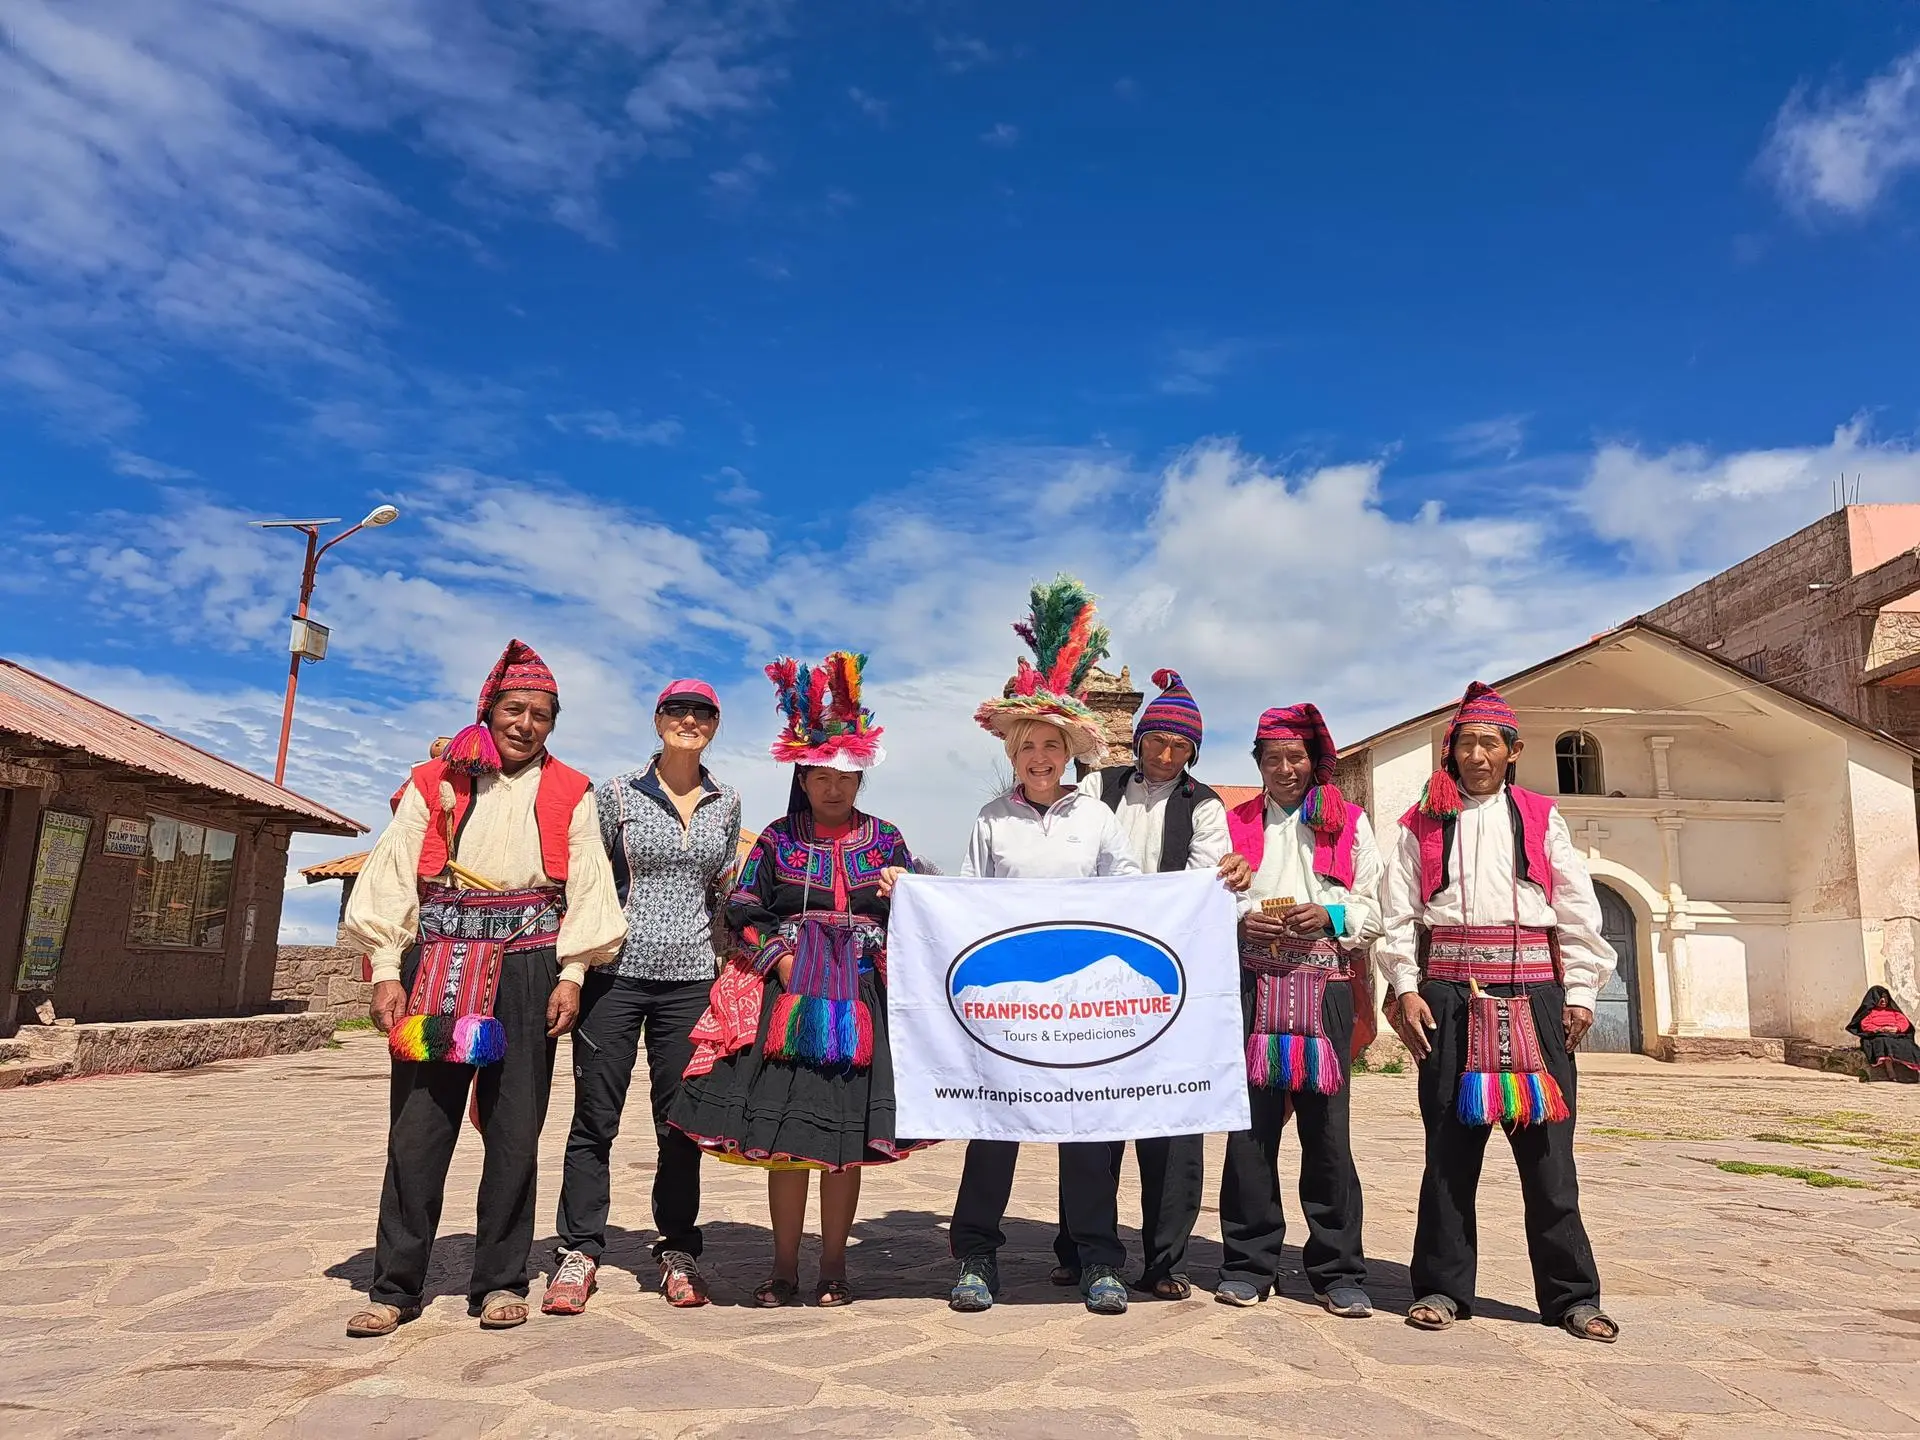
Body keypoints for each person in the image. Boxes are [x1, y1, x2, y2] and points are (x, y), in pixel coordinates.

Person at [342, 639, 626, 1337]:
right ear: (489, 710)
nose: (526, 723)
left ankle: (500, 1280)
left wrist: (572, 974)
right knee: (417, 1130)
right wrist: (385, 968)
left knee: (514, 1130)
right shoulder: (435, 780)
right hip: (436, 960)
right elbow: (393, 870)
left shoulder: (571, 791)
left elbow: (588, 881)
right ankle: (394, 1285)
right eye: (515, 708)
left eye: (541, 715)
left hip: (530, 967)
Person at [670, 652, 930, 1306]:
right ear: (804, 775)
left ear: (860, 776)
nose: (833, 788)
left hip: (862, 997)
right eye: (819, 775)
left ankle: (835, 1267)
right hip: (788, 996)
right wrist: (781, 959)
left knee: (842, 1143)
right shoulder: (780, 840)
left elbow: (918, 915)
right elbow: (744, 908)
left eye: (845, 776)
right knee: (787, 1139)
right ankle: (783, 1268)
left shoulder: (889, 840)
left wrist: (913, 892)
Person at [1379, 681, 1619, 1344]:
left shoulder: (1542, 818)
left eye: (1490, 743)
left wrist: (1579, 994)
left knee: (1548, 1161)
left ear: (1514, 751)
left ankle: (1572, 1296)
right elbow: (1397, 914)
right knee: (1449, 1155)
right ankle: (1440, 1288)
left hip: (1536, 999)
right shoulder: (1420, 822)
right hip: (1450, 997)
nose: (1477, 754)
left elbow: (1576, 908)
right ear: (1450, 750)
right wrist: (1405, 987)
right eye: (1465, 742)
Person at [951, 577, 1143, 1317]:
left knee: (1090, 1128)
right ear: (1012, 752)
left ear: (1068, 752)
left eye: (1050, 745)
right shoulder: (990, 820)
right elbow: (966, 902)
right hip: (1008, 999)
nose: (1039, 756)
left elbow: (1127, 895)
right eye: (1027, 745)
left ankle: (1096, 1257)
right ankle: (974, 1256)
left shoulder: (1096, 819)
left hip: (1086, 1000)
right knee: (995, 1129)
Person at [542, 679, 741, 1315]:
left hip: (691, 981)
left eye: (702, 712)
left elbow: (721, 890)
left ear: (714, 724)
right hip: (616, 976)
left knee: (678, 1122)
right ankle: (579, 1248)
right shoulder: (617, 796)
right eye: (678, 710)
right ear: (658, 719)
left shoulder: (727, 801)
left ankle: (678, 1248)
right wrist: (572, 969)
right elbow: (587, 882)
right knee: (594, 1118)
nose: (689, 720)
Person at [1052, 668, 1251, 1301]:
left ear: (1193, 752)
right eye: (1156, 742)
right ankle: (1082, 1248)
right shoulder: (1092, 788)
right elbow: (1068, 858)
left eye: (1179, 747)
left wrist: (1224, 885)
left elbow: (1205, 887)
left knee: (1172, 1121)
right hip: (1093, 978)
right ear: (1137, 740)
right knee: (1091, 1121)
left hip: (1170, 981)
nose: (1166, 755)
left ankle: (1164, 1260)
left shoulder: (1206, 807)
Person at [1215, 704, 1380, 1317]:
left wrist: (1331, 915)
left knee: (1327, 1132)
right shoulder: (1231, 825)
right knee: (1250, 1129)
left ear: (1315, 762)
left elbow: (1375, 907)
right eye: (1273, 758)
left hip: (1325, 986)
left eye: (1296, 757)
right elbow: (1208, 893)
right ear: (1257, 763)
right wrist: (1241, 917)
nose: (1285, 769)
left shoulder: (1349, 824)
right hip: (1254, 985)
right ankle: (1248, 1262)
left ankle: (1337, 1269)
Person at [1849, 986, 1920, 1082]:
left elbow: (1903, 1022)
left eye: (1886, 998)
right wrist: (1879, 1029)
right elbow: (1865, 1025)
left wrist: (1896, 1028)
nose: (1883, 1001)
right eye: (1880, 998)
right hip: (1879, 1035)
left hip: (1896, 1034)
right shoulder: (1869, 1012)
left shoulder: (1894, 1011)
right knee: (1884, 1042)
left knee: (1909, 1045)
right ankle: (1890, 1070)